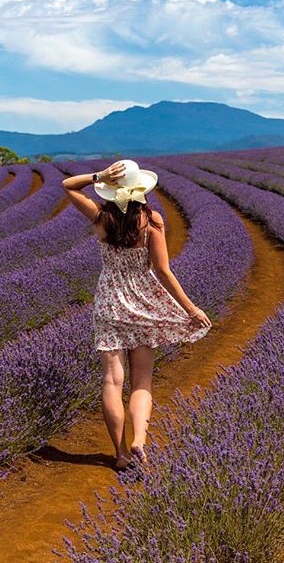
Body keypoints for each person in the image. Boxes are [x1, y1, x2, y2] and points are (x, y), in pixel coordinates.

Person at [62, 159, 212, 471]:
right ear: (141, 188)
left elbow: (67, 186)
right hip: (143, 303)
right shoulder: (151, 220)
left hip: (110, 304)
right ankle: (139, 441)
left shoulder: (101, 217)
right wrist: (191, 309)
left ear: (109, 189)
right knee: (141, 381)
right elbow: (163, 271)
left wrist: (97, 176)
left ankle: (119, 454)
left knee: (112, 381)